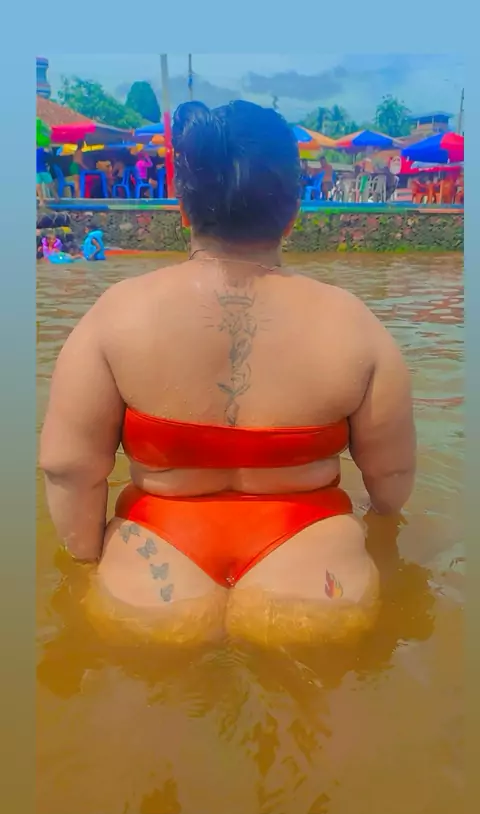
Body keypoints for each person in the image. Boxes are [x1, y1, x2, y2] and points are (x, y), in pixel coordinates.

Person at [40, 100, 416, 647]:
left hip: (154, 579)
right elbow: (392, 478)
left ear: (183, 207)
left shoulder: (116, 314)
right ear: (292, 212)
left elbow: (67, 468)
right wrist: (379, 527)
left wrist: (85, 563)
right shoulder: (354, 324)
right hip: (316, 579)